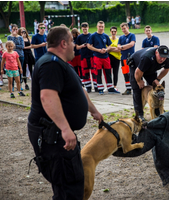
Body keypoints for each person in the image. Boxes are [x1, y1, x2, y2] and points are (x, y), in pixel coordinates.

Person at [27, 26, 103, 199]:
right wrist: (65, 129)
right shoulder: (51, 64)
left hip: (57, 133)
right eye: (72, 41)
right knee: (68, 186)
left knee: (71, 182)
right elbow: (47, 97)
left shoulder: (59, 63)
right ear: (63, 43)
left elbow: (79, 90)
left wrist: (94, 111)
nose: (75, 45)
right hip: (52, 136)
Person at [128, 45, 169, 121]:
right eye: (161, 56)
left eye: (164, 57)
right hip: (136, 65)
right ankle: (139, 114)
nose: (162, 59)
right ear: (156, 52)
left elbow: (166, 69)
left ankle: (157, 110)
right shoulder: (147, 57)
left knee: (154, 87)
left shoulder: (167, 58)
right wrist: (139, 81)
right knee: (137, 89)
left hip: (150, 68)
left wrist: (158, 79)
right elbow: (138, 72)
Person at [87, 21, 119, 95]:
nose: (101, 28)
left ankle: (110, 88)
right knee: (98, 73)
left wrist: (107, 49)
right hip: (97, 57)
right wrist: (98, 50)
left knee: (108, 72)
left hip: (106, 57)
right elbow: (89, 45)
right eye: (99, 26)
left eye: (102, 27)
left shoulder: (105, 36)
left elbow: (110, 45)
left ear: (104, 27)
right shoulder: (93, 35)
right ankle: (100, 89)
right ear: (97, 27)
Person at [76, 22, 97, 93]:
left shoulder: (91, 35)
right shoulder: (79, 37)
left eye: (86, 29)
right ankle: (88, 87)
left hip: (91, 56)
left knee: (94, 72)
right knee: (85, 72)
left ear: (88, 28)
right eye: (83, 29)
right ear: (81, 29)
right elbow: (77, 47)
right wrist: (82, 46)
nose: (84, 30)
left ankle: (96, 86)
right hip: (84, 56)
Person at [118, 23, 136, 95]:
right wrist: (123, 47)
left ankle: (135, 88)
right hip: (123, 58)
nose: (123, 30)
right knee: (125, 74)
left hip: (131, 57)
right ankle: (128, 89)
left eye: (124, 28)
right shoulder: (121, 37)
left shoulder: (132, 35)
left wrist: (122, 47)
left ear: (128, 27)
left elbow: (131, 44)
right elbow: (118, 46)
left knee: (132, 73)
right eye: (122, 29)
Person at [8, 24, 25, 90]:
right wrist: (14, 38)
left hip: (20, 55)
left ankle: (19, 85)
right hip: (12, 56)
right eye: (13, 29)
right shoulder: (9, 37)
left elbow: (22, 46)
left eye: (16, 29)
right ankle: (12, 85)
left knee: (19, 71)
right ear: (11, 30)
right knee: (12, 71)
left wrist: (15, 46)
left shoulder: (20, 37)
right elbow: (10, 45)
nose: (15, 31)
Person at [108, 26, 121, 90]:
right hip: (109, 57)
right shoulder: (108, 39)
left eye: (114, 31)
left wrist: (111, 48)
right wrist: (114, 48)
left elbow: (119, 50)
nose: (113, 32)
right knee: (108, 72)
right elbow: (107, 49)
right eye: (112, 31)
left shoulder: (119, 40)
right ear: (110, 32)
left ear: (116, 32)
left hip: (117, 58)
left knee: (115, 72)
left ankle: (115, 86)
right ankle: (109, 86)